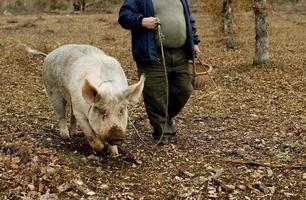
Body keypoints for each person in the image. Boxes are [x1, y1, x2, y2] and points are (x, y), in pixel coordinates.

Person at [118, 0, 201, 145]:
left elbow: (188, 19)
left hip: (180, 53)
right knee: (155, 94)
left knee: (184, 89)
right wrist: (141, 21)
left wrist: (193, 42)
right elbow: (124, 16)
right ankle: (162, 131)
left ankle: (165, 118)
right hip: (153, 53)